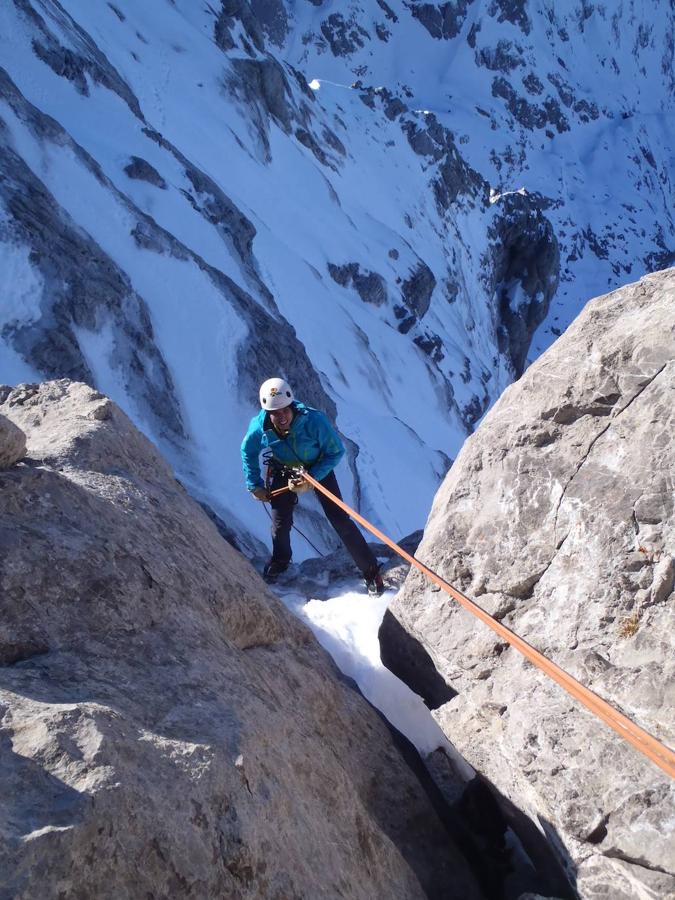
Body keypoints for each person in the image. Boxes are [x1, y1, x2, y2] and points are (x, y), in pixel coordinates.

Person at [241, 377, 384, 594]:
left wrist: (312, 477)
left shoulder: (314, 420)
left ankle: (371, 571)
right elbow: (248, 451)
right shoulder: (260, 428)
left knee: (339, 520)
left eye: (284, 411)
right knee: (280, 524)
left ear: (292, 406)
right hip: (284, 469)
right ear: (267, 413)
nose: (281, 417)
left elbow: (335, 452)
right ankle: (280, 561)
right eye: (275, 413)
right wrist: (254, 483)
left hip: (318, 467)